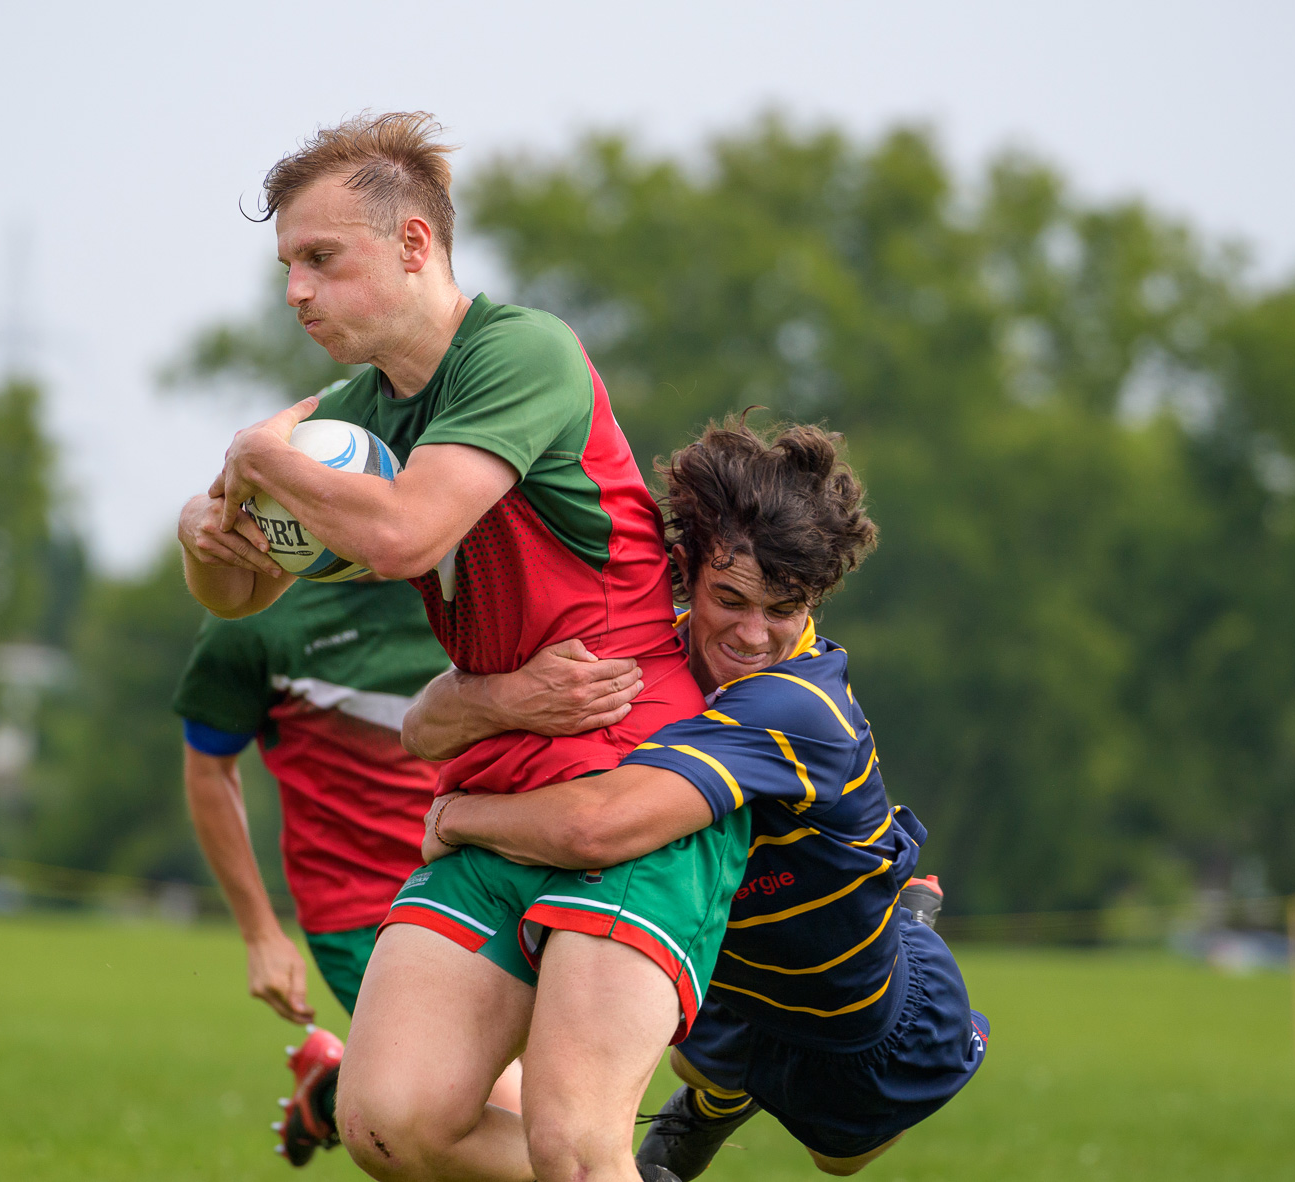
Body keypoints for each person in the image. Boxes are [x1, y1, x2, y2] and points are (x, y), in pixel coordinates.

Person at [178, 112, 744, 1182]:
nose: (294, 291)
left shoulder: (521, 351)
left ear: (413, 247)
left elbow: (403, 534)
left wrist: (257, 454)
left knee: (574, 1143)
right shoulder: (354, 415)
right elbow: (238, 590)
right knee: (390, 1123)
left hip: (627, 785)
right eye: (286, 265)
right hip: (490, 797)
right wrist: (204, 532)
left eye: (319, 258)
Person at [406, 419, 989, 1178]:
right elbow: (420, 729)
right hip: (732, 985)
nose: (753, 635)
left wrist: (456, 818)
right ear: (686, 568)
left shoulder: (798, 706)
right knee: (697, 1065)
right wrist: (508, 696)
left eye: (783, 608)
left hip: (856, 1022)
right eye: (731, 598)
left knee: (840, 1157)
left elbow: (599, 823)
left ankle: (909, 925)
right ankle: (714, 1098)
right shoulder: (648, 646)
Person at [172, 576, 545, 1163]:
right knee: (518, 1135)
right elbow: (208, 770)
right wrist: (260, 933)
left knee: (567, 1112)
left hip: (496, 881)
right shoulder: (254, 612)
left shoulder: (479, 573)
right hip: (364, 912)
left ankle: (341, 1088)